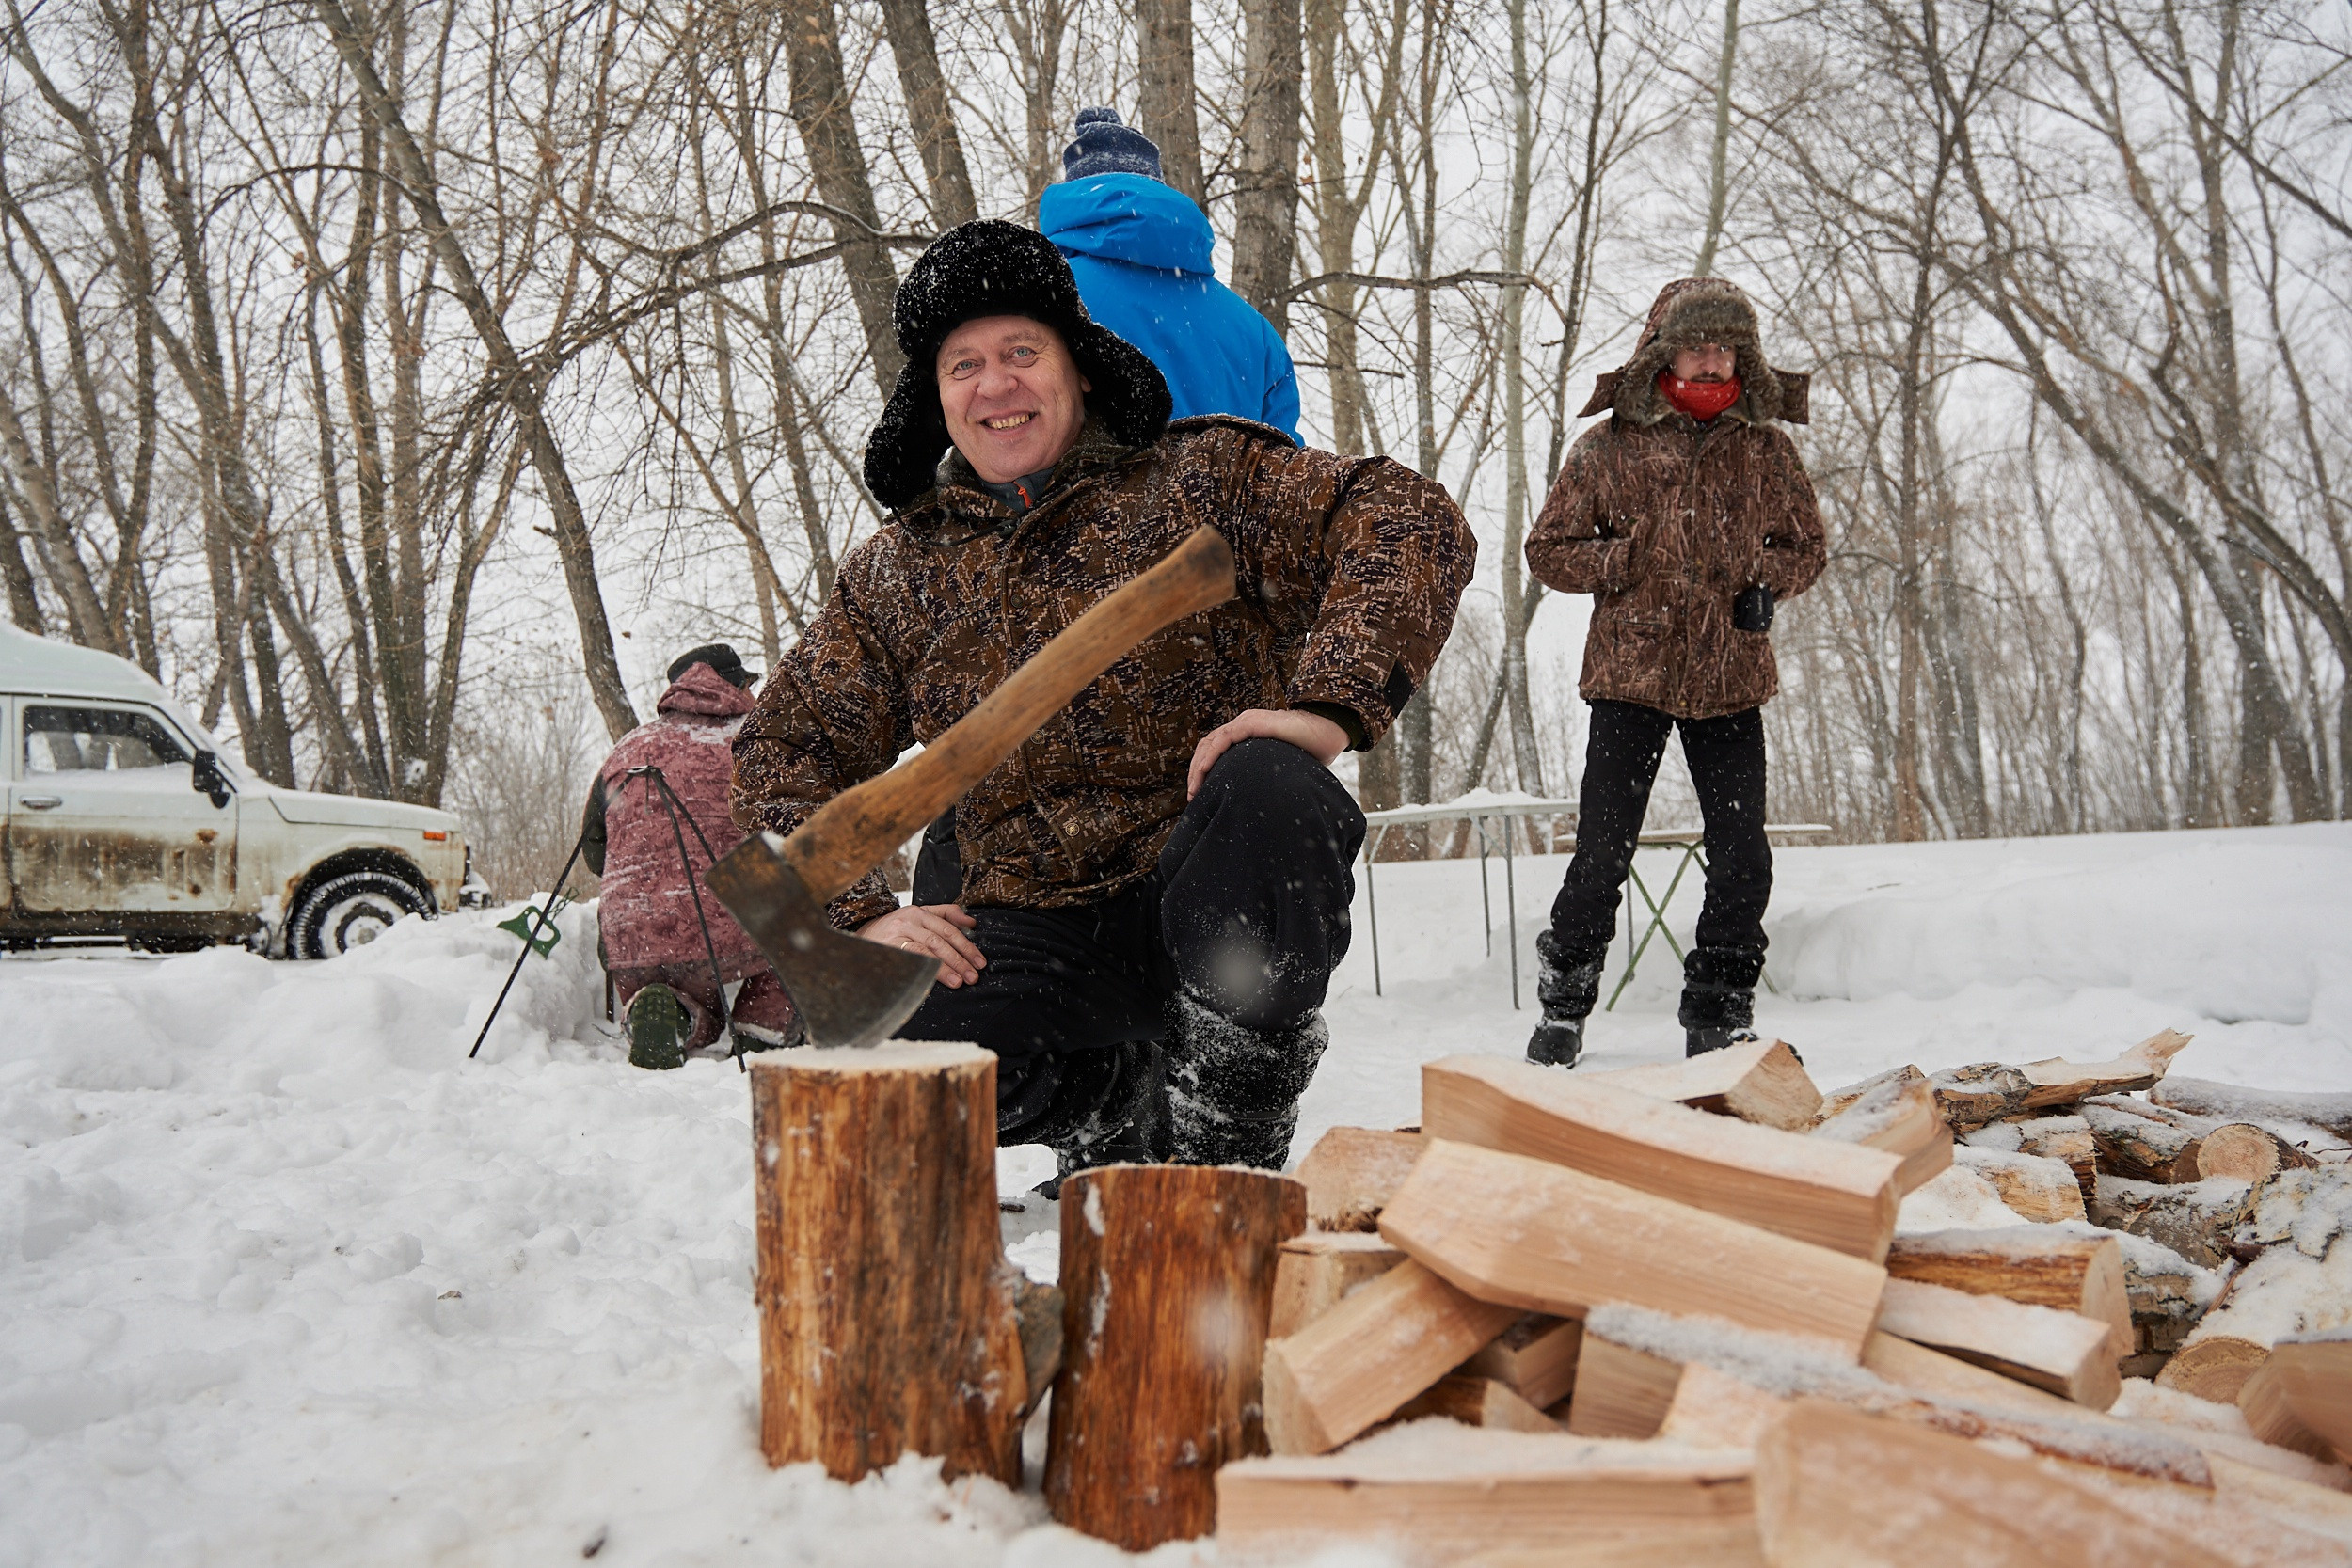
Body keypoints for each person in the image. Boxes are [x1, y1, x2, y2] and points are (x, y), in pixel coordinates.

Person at [733, 220, 1472, 1176]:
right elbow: (774, 754)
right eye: (963, 365)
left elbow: (1406, 517)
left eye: (1019, 352)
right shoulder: (897, 574)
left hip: (1204, 893)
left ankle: (1227, 1133)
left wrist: (1327, 708)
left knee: (1274, 786)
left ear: (1076, 366)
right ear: (935, 397)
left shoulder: (1202, 480)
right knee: (881, 1036)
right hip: (1035, 929)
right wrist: (856, 914)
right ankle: (1116, 1098)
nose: (995, 384)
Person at [1521, 277, 1825, 1067]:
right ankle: (1563, 1007)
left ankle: (1719, 1012)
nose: (1713, 356)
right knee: (1601, 853)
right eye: (1699, 343)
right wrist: (1623, 561)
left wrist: (1769, 584)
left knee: (1742, 854)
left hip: (1731, 677)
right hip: (1630, 675)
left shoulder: (1765, 448)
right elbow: (1547, 549)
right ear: (1665, 350)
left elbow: (1809, 546)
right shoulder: (1608, 446)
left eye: (1727, 344)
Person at [583, 643, 799, 1068]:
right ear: (735, 686)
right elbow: (799, 833)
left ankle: (670, 1012)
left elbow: (595, 855)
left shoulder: (628, 747)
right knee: (802, 929)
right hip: (723, 926)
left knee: (685, 986)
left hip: (628, 936)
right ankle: (761, 1027)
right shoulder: (757, 741)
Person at [1038, 108, 1300, 440]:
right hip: (1228, 490)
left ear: (1070, 203)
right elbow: (1282, 468)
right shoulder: (1255, 331)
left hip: (1096, 493)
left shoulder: (1048, 303)